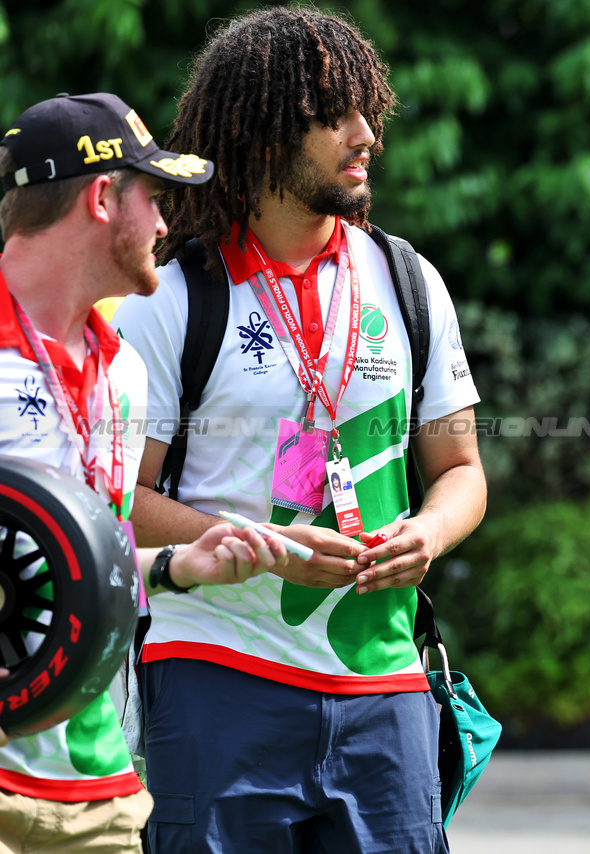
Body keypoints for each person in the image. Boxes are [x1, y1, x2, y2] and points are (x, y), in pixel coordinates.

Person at [113, 8, 485, 853]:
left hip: (385, 685)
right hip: (217, 678)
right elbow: (119, 502)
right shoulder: (172, 298)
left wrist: (428, 532)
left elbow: (462, 468)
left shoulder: (408, 279)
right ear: (265, 132)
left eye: (369, 113)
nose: (366, 137)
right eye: (334, 117)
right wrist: (253, 545)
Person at [0, 92, 284, 853]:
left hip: (99, 794)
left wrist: (178, 568)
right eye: (153, 198)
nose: (165, 224)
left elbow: (78, 564)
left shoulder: (122, 371)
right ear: (101, 198)